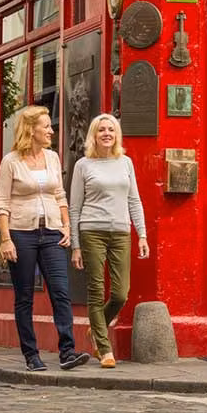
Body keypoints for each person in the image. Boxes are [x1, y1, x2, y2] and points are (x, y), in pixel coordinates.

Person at [0, 105, 90, 372]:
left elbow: (59, 195)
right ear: (31, 130)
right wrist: (5, 239)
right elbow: (2, 203)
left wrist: (67, 226)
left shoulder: (52, 158)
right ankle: (31, 355)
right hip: (21, 234)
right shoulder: (10, 161)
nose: (51, 130)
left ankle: (67, 351)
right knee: (24, 296)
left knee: (61, 292)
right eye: (46, 126)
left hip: (52, 233)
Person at [69, 113, 149, 369]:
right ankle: (105, 350)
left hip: (120, 232)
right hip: (92, 231)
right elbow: (74, 207)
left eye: (111, 130)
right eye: (101, 130)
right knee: (96, 290)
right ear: (94, 135)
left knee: (120, 293)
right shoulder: (83, 165)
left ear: (117, 135)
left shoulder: (125, 162)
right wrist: (76, 245)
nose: (106, 133)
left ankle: (96, 327)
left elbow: (134, 200)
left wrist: (142, 234)